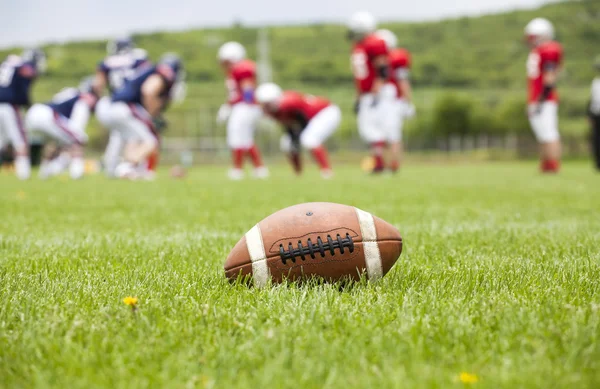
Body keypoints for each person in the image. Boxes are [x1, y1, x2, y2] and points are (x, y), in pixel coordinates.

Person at [109, 53, 185, 180]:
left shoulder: (151, 70)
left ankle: (132, 168)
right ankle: (127, 166)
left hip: (115, 105)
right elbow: (148, 91)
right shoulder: (165, 72)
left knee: (134, 138)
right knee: (151, 141)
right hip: (127, 107)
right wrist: (151, 115)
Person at [255, 83, 340, 178]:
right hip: (310, 119)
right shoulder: (274, 110)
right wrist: (293, 136)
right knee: (286, 144)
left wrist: (297, 136)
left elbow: (303, 119)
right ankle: (298, 173)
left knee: (309, 139)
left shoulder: (288, 103)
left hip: (325, 112)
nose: (265, 107)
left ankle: (326, 171)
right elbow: (289, 124)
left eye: (267, 103)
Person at [93, 36, 150, 176]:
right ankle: (134, 167)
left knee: (118, 135)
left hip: (114, 103)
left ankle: (111, 168)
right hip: (132, 103)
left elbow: (97, 85)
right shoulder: (138, 58)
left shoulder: (107, 62)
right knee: (139, 135)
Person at [25, 78, 98, 179]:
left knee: (54, 142)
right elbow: (77, 128)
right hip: (49, 115)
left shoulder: (70, 91)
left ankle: (44, 173)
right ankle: (77, 174)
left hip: (34, 113)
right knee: (79, 139)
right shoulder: (84, 99)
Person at [347, 11, 391, 173]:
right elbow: (360, 76)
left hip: (375, 93)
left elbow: (383, 70)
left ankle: (381, 164)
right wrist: (359, 97)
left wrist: (376, 91)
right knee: (367, 130)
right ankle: (380, 163)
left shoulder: (375, 42)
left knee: (374, 130)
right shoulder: (358, 46)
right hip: (366, 93)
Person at [217, 41, 268, 180]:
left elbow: (247, 88)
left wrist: (247, 105)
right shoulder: (235, 70)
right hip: (243, 106)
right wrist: (229, 105)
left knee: (237, 137)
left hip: (245, 106)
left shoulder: (243, 68)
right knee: (245, 139)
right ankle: (259, 168)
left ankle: (238, 169)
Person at [524, 17, 563, 173]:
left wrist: (540, 100)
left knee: (550, 132)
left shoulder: (550, 49)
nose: (531, 41)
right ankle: (546, 163)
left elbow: (550, 77)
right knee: (541, 133)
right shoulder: (537, 51)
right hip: (536, 98)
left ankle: (554, 164)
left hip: (545, 99)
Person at [0, 48, 46, 180]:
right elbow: (23, 92)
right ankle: (24, 175)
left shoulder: (8, 63)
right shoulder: (25, 67)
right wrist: (28, 105)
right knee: (20, 140)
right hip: (9, 105)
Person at [375, 29, 415, 172]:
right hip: (383, 101)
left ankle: (393, 165)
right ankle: (384, 165)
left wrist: (407, 101)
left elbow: (403, 81)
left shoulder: (396, 58)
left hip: (393, 102)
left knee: (392, 136)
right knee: (383, 135)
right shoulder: (380, 60)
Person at [588, 56, 600, 171]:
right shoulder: (595, 83)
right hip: (597, 114)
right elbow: (591, 101)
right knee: (596, 139)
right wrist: (590, 115)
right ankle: (598, 163)